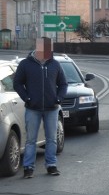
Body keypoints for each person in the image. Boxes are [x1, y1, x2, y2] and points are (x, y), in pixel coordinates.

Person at [13, 37, 68, 178]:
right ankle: (28, 168)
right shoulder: (26, 64)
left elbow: (63, 84)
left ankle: (51, 166)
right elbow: (17, 83)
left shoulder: (55, 64)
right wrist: (27, 98)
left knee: (51, 139)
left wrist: (59, 98)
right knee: (31, 140)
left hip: (52, 108)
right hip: (33, 108)